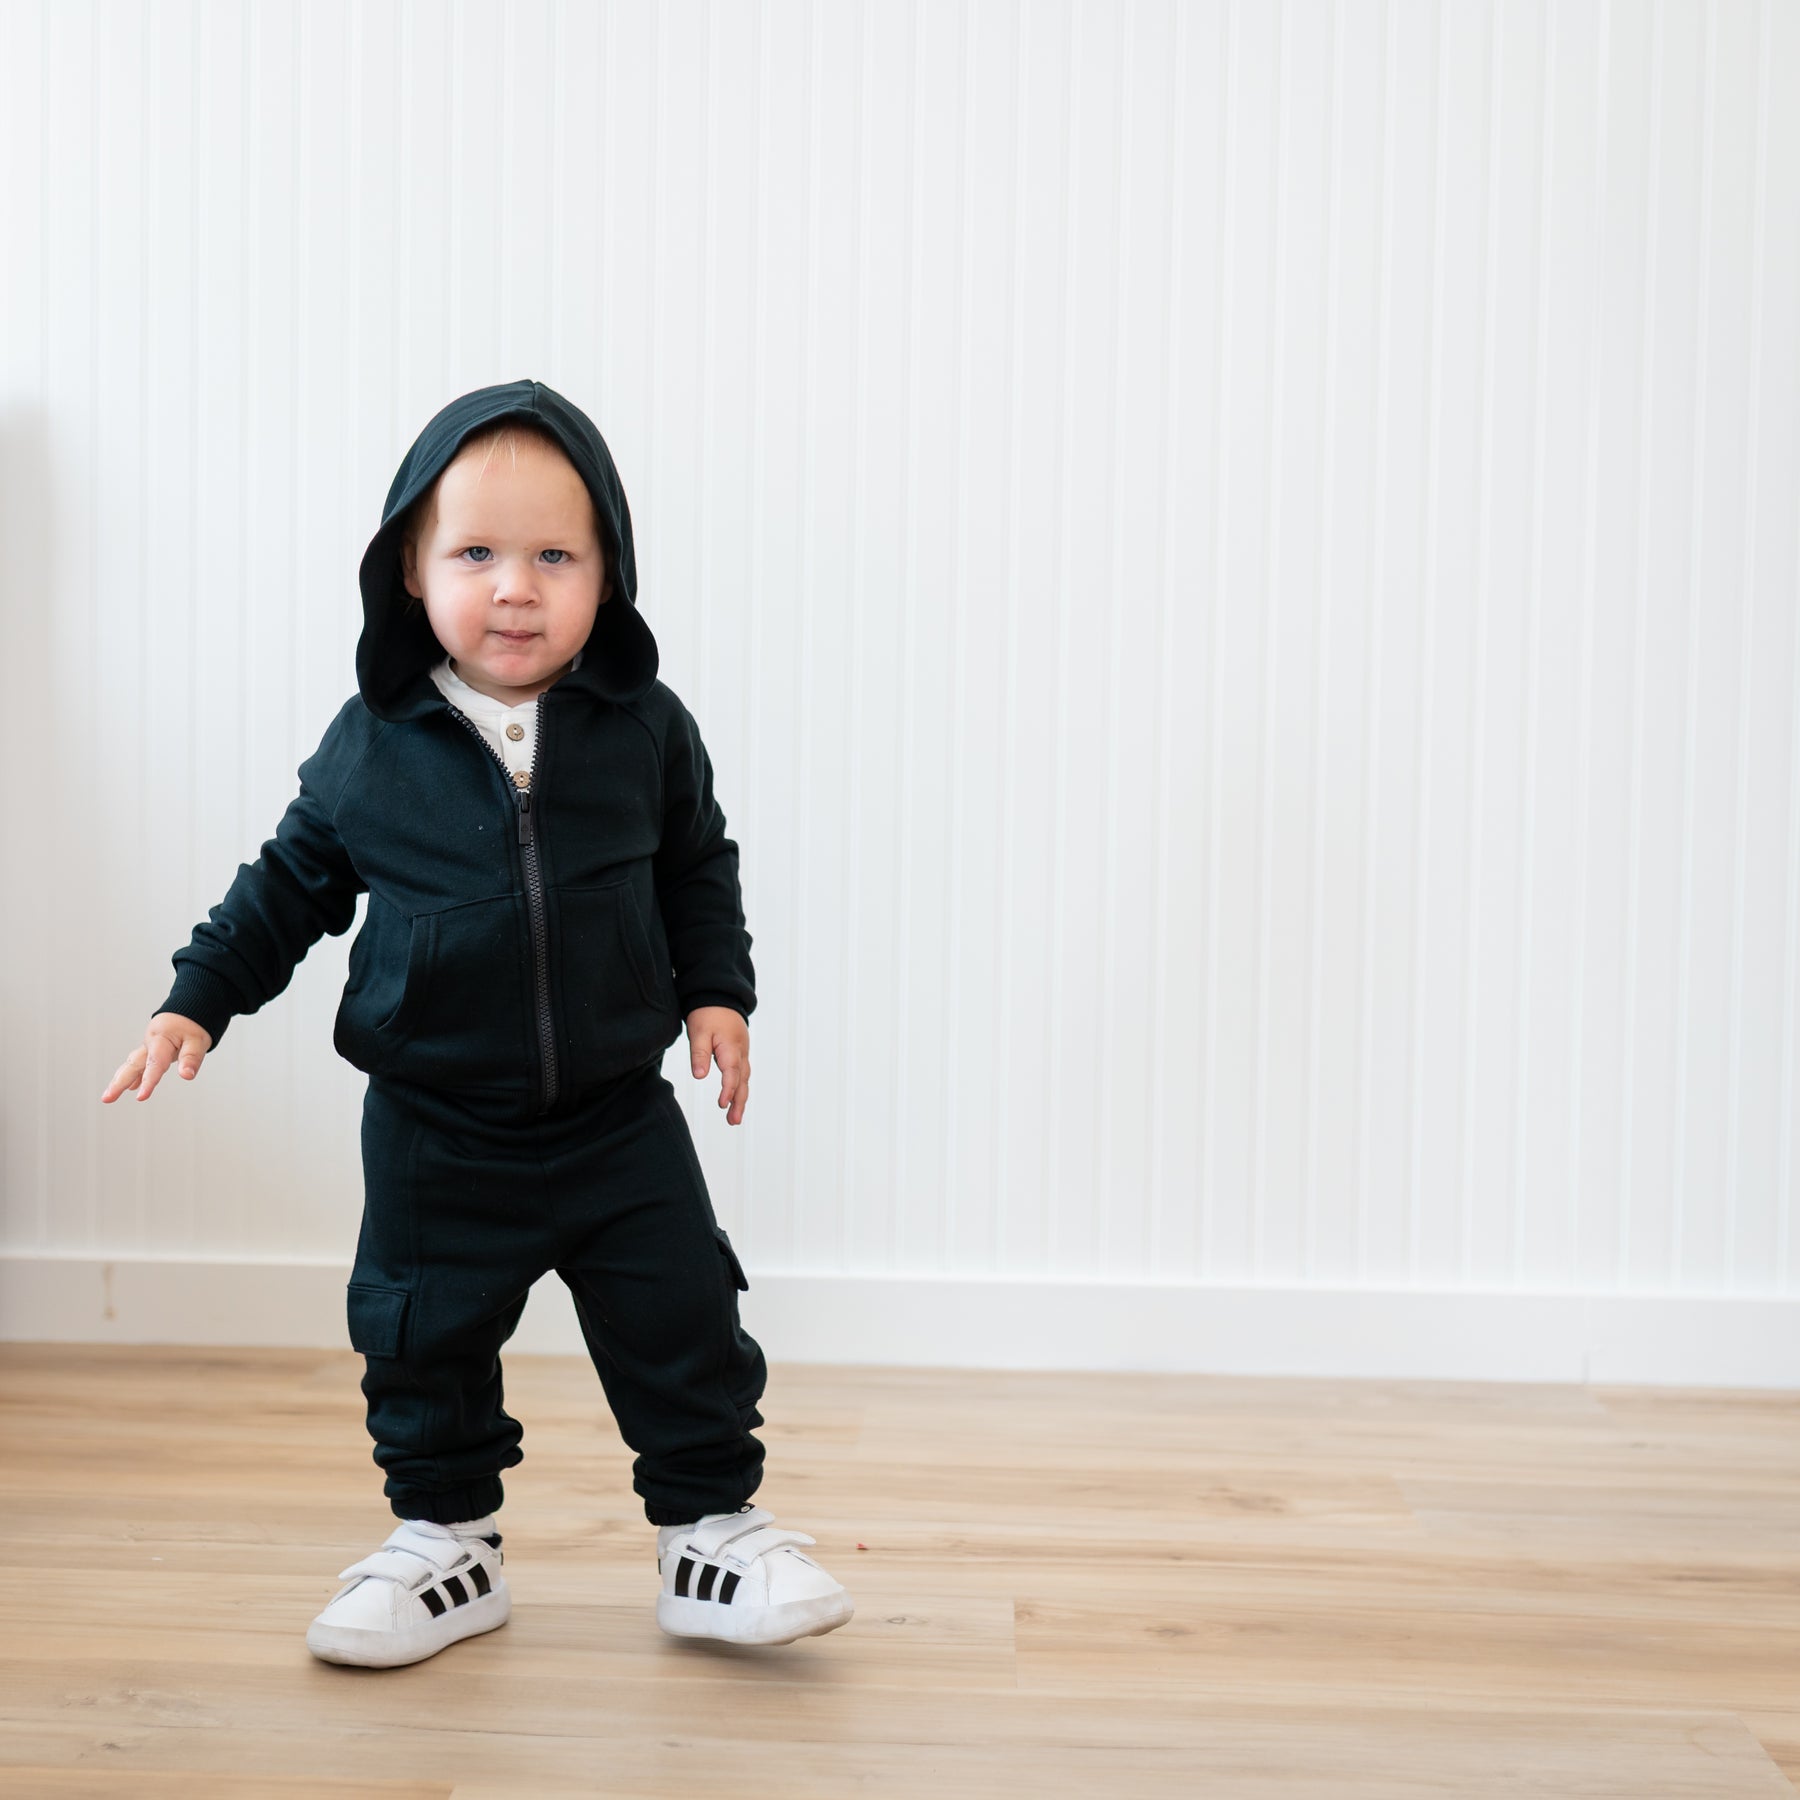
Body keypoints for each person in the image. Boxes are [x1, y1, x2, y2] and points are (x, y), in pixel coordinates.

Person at [100, 378, 853, 1668]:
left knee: (680, 1314)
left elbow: (695, 865)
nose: (517, 587)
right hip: (435, 1125)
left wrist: (718, 990)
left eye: (556, 556)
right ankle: (446, 1540)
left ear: (608, 573)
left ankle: (713, 1529)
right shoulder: (372, 744)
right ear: (410, 567)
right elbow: (286, 886)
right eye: (477, 553)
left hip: (619, 1115)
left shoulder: (643, 729)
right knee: (421, 1330)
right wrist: (197, 1001)